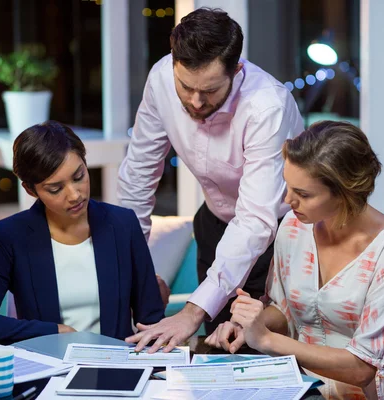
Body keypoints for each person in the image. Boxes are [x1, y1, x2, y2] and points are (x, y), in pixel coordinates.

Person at [120, 7, 304, 352]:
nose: (195, 101)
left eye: (210, 90)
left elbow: (254, 221)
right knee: (215, 356)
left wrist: (191, 311)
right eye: (186, 86)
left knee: (260, 357)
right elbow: (139, 175)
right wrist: (137, 270)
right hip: (215, 224)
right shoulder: (161, 78)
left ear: (236, 70)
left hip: (278, 239)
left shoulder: (267, 106)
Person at [206, 121, 384, 399]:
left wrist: (267, 340)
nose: (288, 200)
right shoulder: (295, 227)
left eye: (303, 194)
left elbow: (364, 368)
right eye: (288, 186)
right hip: (300, 391)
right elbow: (285, 312)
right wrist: (250, 325)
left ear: (345, 192)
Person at [0, 121, 164, 343]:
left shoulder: (123, 224)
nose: (75, 195)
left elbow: (150, 322)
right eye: (55, 189)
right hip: (49, 369)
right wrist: (53, 332)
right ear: (30, 189)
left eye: (79, 177)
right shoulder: (12, 236)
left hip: (115, 368)